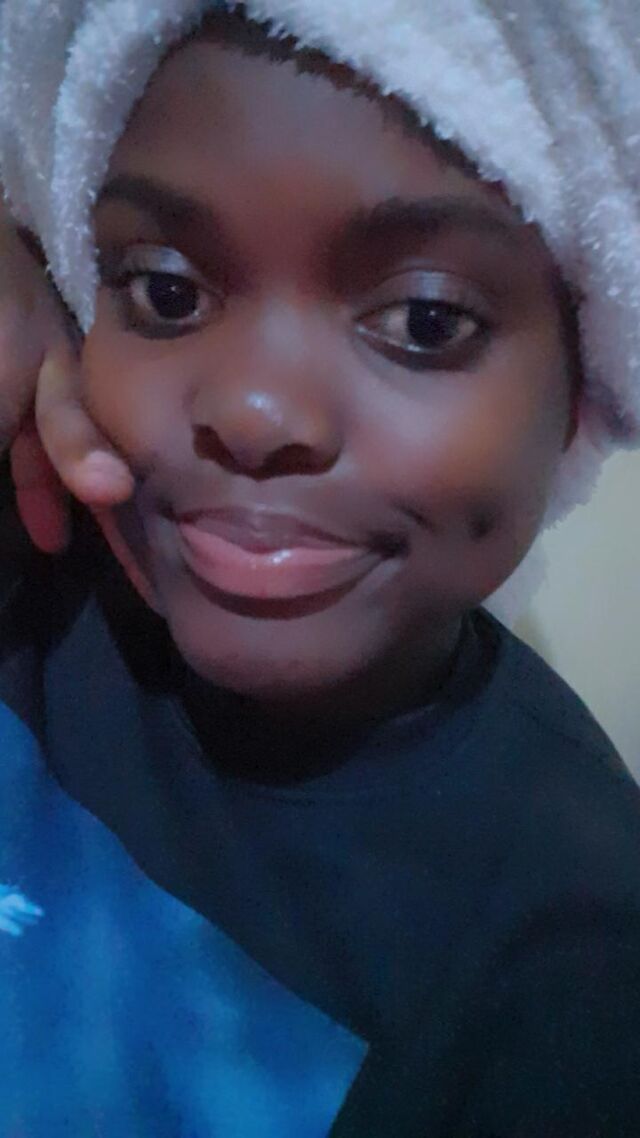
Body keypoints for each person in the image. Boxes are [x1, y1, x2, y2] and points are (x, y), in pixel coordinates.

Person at [0, 2, 639, 1134]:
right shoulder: (30, 550)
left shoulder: (574, 953)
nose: (254, 411)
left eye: (426, 322)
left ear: (583, 388)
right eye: (166, 291)